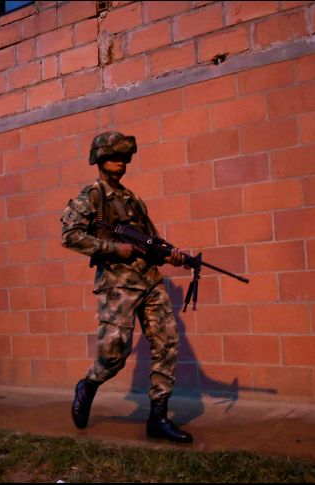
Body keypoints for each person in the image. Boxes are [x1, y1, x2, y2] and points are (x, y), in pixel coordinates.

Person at [60, 131, 193, 443]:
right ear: (100, 159)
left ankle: (157, 419)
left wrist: (171, 256)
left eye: (124, 157)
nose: (120, 162)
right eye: (113, 156)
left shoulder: (133, 200)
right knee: (113, 355)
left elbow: (151, 242)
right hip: (118, 286)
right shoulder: (91, 197)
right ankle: (89, 385)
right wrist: (111, 248)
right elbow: (69, 235)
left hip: (149, 282)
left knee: (167, 343)